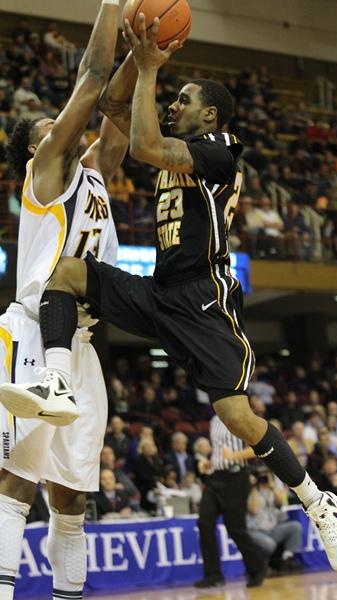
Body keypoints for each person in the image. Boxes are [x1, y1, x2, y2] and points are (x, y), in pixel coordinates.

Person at [1, 14, 337, 574]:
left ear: (208, 114)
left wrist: (144, 64)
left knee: (235, 414)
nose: (174, 103)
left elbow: (134, 134)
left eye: (184, 99)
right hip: (137, 297)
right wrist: (140, 53)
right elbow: (114, 108)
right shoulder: (57, 163)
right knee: (66, 272)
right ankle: (56, 378)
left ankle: (316, 499)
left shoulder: (217, 151)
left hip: (204, 297)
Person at [0, 2, 138, 599]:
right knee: (16, 482)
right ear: (36, 150)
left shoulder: (98, 170)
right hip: (33, 331)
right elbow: (90, 82)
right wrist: (114, 4)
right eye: (48, 128)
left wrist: (145, 54)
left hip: (79, 343)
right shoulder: (47, 172)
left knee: (73, 494)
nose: (58, 125)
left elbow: (116, 108)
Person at [195, 415, 266, 588]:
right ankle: (213, 575)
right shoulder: (213, 420)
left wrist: (235, 455)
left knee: (235, 528)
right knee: (204, 522)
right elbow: (219, 450)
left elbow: (258, 448)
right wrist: (210, 463)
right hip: (215, 477)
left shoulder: (241, 416)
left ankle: (257, 569)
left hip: (236, 478)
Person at [247, 468, 303, 572]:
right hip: (255, 531)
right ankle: (261, 566)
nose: (263, 478)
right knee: (270, 544)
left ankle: (287, 559)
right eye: (261, 476)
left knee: (295, 527)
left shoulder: (273, 489)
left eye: (266, 475)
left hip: (272, 529)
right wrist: (254, 487)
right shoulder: (249, 491)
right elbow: (254, 509)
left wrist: (273, 487)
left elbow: (280, 504)